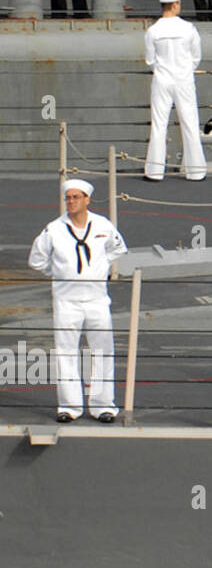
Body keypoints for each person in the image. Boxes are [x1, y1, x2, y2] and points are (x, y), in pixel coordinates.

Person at [27, 179, 128, 423]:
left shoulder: (102, 225)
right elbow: (36, 260)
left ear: (87, 199)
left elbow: (118, 248)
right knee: (66, 352)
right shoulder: (54, 229)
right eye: (68, 198)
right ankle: (70, 406)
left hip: (96, 300)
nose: (71, 202)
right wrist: (60, 272)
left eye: (76, 197)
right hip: (67, 301)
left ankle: (103, 405)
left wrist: (101, 265)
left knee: (103, 350)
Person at [144, 0, 206, 182]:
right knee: (190, 123)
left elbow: (150, 60)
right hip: (184, 79)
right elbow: (196, 57)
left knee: (159, 124)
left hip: (162, 79)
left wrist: (163, 69)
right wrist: (185, 69)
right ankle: (196, 171)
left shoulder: (153, 30)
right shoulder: (188, 29)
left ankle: (154, 171)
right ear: (175, 4)